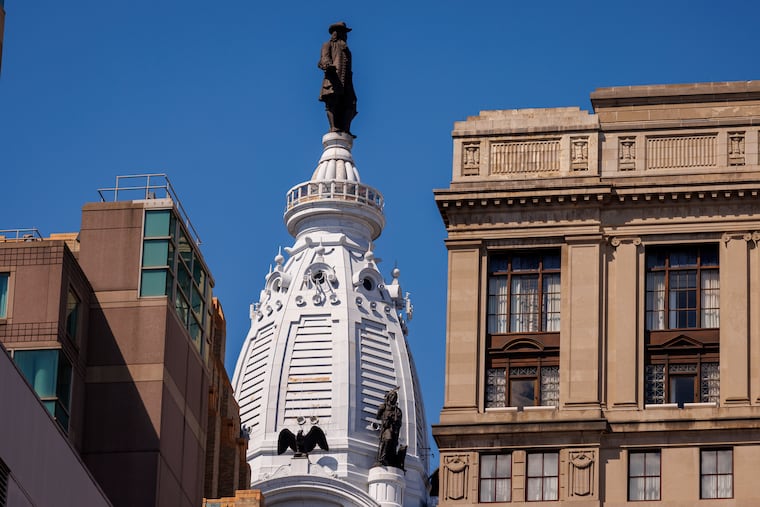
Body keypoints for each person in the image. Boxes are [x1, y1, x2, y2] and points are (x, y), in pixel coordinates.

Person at [318, 21, 357, 136]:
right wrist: (327, 65)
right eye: (344, 33)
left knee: (351, 103)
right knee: (332, 103)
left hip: (347, 81)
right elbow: (323, 59)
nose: (346, 35)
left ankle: (346, 129)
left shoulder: (346, 49)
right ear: (337, 33)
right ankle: (333, 127)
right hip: (334, 78)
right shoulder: (328, 45)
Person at [375, 389, 403, 467]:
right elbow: (377, 417)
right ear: (388, 397)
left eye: (394, 396)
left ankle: (388, 458)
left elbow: (399, 423)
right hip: (386, 429)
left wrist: (394, 420)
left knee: (392, 442)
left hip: (393, 430)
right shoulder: (384, 407)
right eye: (391, 396)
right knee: (388, 438)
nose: (393, 398)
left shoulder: (397, 411)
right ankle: (382, 457)